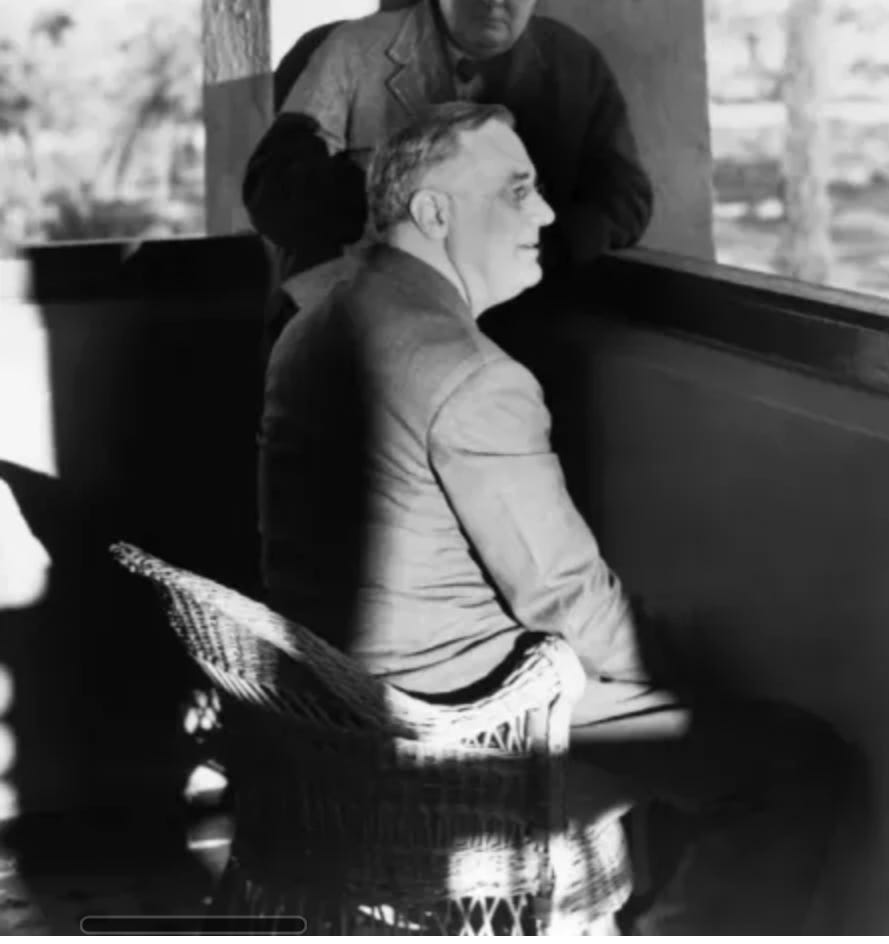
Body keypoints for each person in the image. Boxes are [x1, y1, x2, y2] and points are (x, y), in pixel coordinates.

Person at [258, 101, 848, 934]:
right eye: (517, 190)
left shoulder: (310, 326)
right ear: (434, 212)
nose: (543, 213)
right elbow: (563, 596)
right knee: (797, 765)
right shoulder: (471, 376)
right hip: (466, 720)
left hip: (338, 711)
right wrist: (688, 677)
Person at [243, 0, 654, 292]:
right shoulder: (352, 51)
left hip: (522, 312)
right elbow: (273, 190)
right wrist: (403, 212)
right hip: (367, 298)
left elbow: (627, 201)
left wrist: (539, 246)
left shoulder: (575, 65)